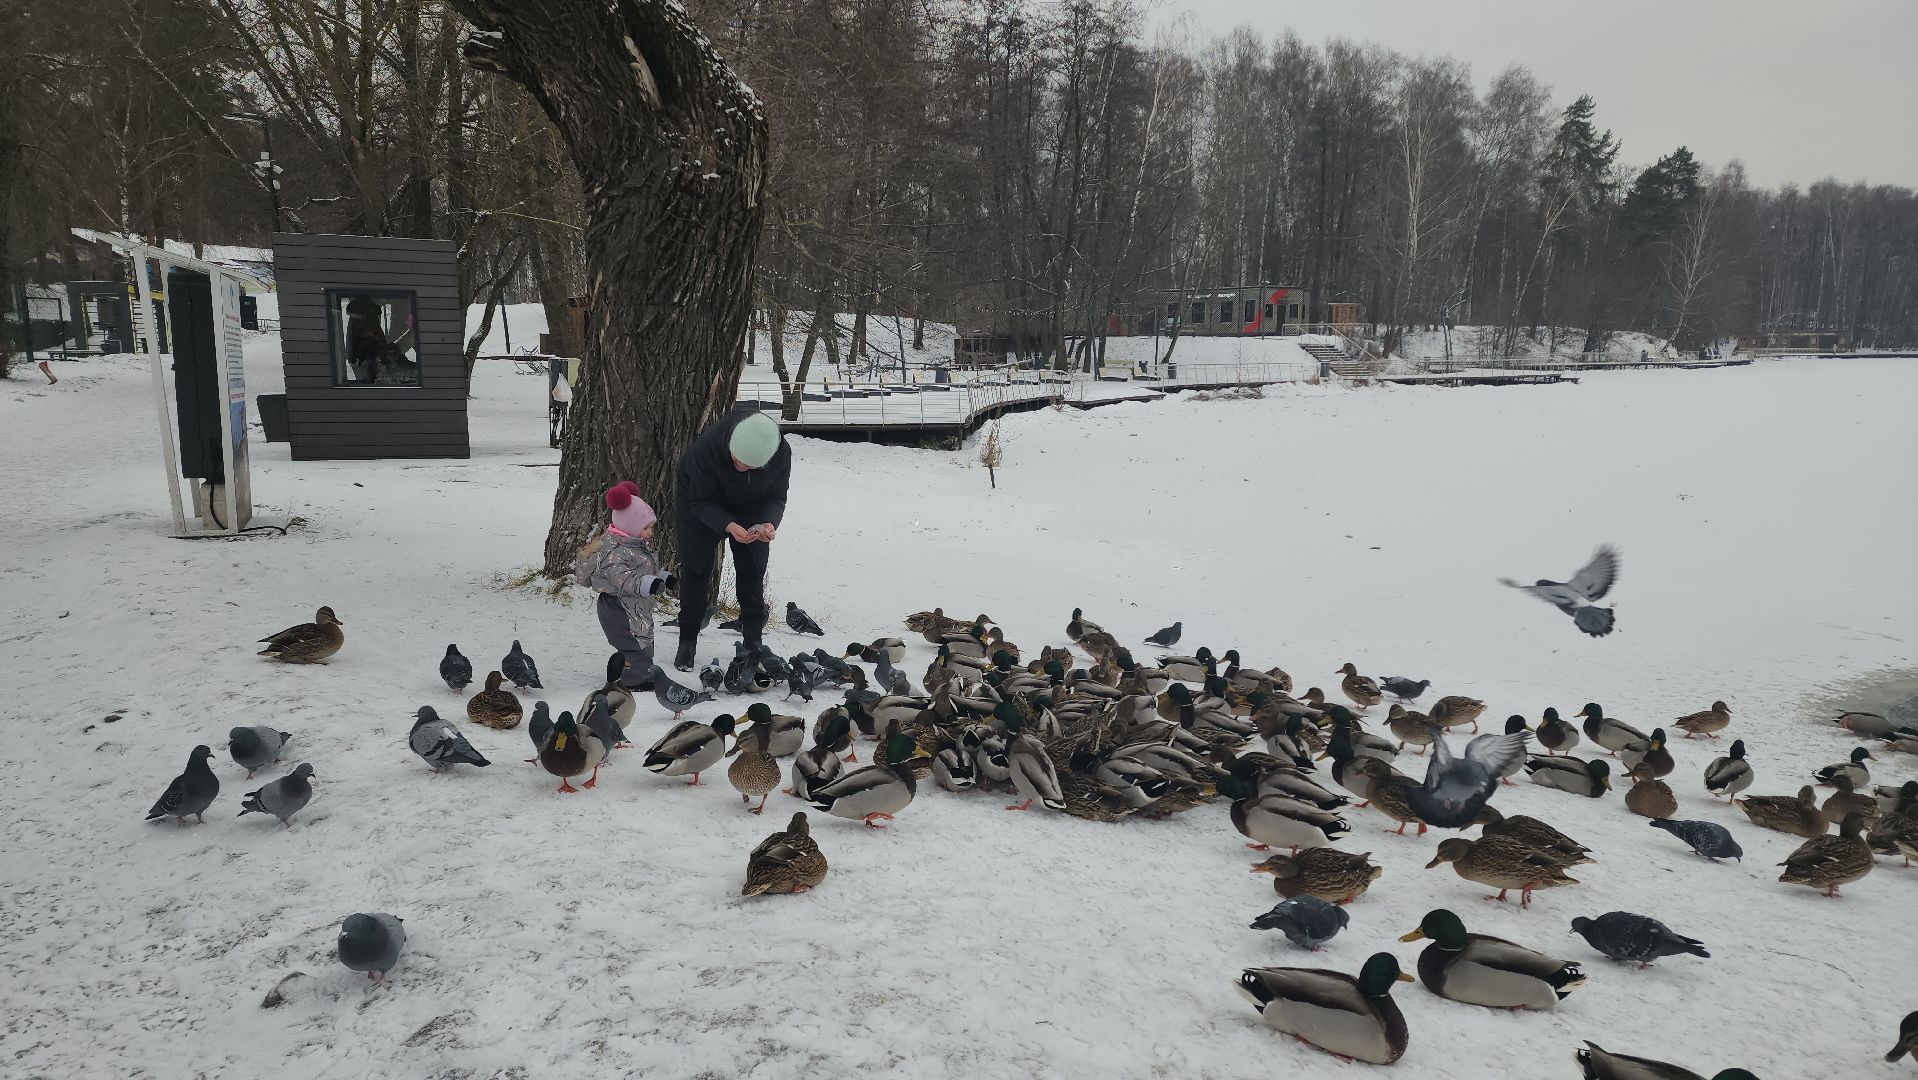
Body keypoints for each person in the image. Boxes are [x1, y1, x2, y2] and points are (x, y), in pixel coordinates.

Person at [671, 406, 790, 671]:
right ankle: (687, 639)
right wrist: (727, 524)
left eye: (749, 466)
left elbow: (776, 497)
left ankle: (753, 641)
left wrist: (769, 522)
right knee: (696, 569)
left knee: (752, 569)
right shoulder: (707, 448)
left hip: (752, 508)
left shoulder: (781, 453)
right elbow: (699, 500)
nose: (740, 467)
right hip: (700, 505)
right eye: (736, 461)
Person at [575, 481, 676, 690]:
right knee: (633, 643)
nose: (650, 533)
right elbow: (622, 577)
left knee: (643, 639)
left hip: (635, 605)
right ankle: (633, 680)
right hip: (617, 607)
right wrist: (649, 583)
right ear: (629, 526)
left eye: (650, 527)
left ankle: (638, 673)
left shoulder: (634, 544)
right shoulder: (614, 551)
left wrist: (663, 577)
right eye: (646, 528)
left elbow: (646, 568)